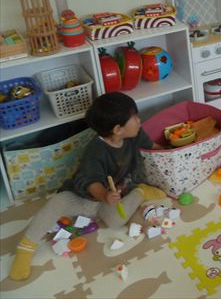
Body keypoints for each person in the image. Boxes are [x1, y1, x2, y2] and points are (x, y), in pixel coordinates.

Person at [9, 92, 166, 281]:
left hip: (116, 195)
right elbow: (90, 181)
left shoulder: (135, 133)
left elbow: (152, 146)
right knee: (57, 202)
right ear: (118, 129)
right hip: (87, 197)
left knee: (116, 222)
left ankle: (141, 192)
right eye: (135, 117)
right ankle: (25, 248)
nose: (139, 120)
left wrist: (170, 150)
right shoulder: (96, 151)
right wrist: (104, 196)